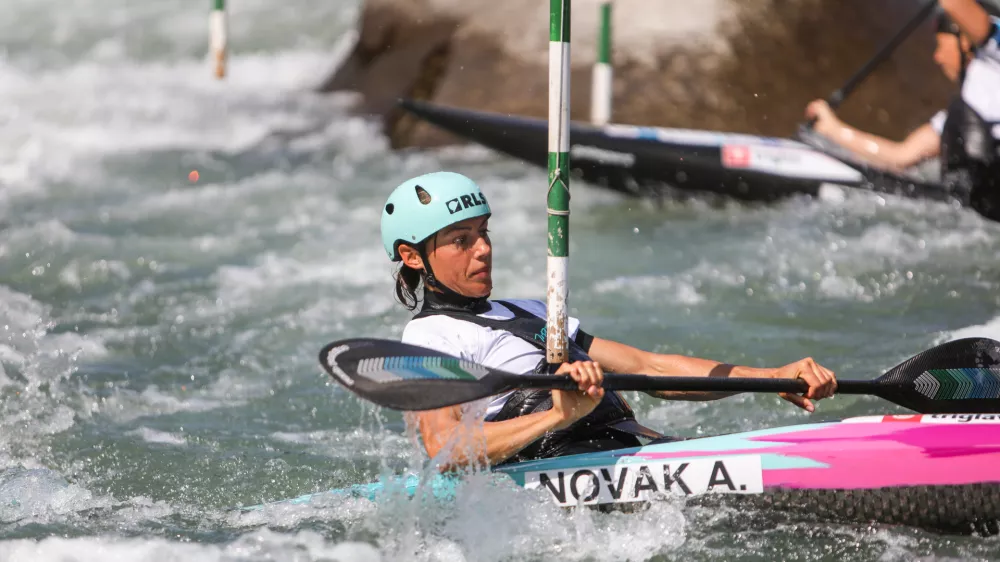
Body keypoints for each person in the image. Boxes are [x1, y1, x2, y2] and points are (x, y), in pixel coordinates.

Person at [380, 170, 838, 470]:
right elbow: (446, 449)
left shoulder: (532, 311)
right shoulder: (428, 335)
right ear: (412, 256)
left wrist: (774, 376)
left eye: (483, 233)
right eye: (461, 240)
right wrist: (555, 416)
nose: (483, 249)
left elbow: (651, 370)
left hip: (628, 449)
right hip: (558, 470)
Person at [805, 0, 1000, 220]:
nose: (937, 56)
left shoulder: (993, 51)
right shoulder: (966, 112)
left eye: (940, 45)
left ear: (964, 42)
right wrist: (833, 128)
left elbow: (955, 4)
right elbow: (900, 156)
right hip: (975, 212)